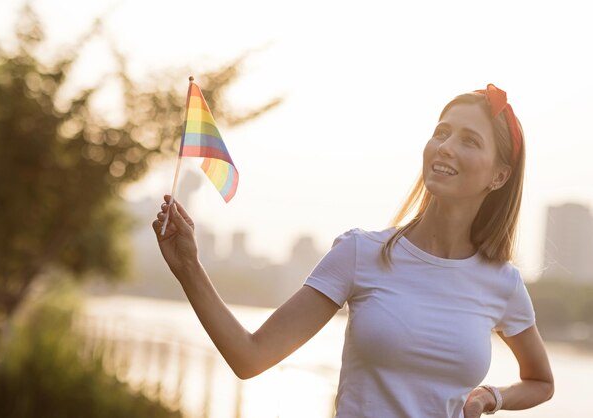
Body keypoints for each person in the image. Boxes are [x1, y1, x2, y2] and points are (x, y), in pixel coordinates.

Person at [152, 83, 554, 418]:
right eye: (442, 132)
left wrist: (491, 396)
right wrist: (188, 267)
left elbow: (541, 382)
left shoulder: (502, 283)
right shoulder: (361, 252)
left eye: (469, 140)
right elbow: (249, 357)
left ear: (499, 176)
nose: (445, 147)